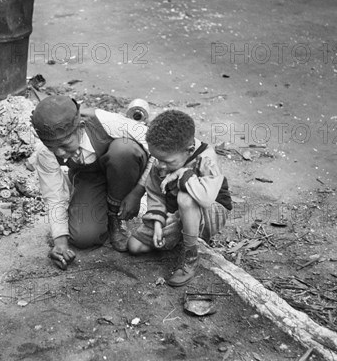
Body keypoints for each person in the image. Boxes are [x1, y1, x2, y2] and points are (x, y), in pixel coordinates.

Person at [30, 96, 152, 270]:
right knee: (83, 237)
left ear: (80, 128)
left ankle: (115, 215)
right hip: (90, 177)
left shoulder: (106, 122)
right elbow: (54, 196)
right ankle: (103, 209)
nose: (60, 152)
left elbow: (156, 146)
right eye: (52, 147)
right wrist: (60, 242)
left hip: (123, 167)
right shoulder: (45, 150)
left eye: (65, 145)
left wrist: (138, 191)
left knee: (124, 150)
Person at [128, 110, 232, 287]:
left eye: (167, 161)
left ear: (189, 150)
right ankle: (182, 235)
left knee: (186, 197)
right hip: (177, 213)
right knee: (134, 246)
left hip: (210, 213)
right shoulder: (163, 159)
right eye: (156, 158)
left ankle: (190, 256)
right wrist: (158, 223)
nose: (160, 165)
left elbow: (205, 198)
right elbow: (155, 194)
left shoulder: (206, 158)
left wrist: (184, 173)